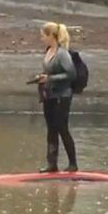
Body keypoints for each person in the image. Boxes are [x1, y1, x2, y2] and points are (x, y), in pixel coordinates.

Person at [36, 22, 78, 173]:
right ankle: (51, 165)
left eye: (43, 36)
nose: (41, 38)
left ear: (51, 36)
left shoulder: (62, 53)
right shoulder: (48, 51)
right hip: (49, 96)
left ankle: (73, 164)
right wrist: (41, 77)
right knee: (51, 129)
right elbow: (49, 72)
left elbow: (71, 74)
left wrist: (50, 79)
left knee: (62, 127)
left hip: (62, 96)